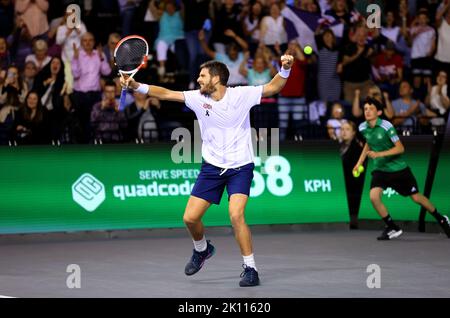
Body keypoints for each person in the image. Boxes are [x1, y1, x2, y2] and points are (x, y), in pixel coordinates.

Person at [121, 54, 295, 287]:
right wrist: (136, 86)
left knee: (236, 215)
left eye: (202, 76)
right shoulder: (196, 98)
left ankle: (250, 268)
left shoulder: (241, 95)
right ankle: (202, 250)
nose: (198, 79)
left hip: (240, 167)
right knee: (190, 218)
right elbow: (165, 93)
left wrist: (285, 68)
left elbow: (274, 87)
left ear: (216, 78)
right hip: (211, 167)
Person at [353, 97, 450, 240]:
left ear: (379, 112)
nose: (367, 111)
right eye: (365, 109)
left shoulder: (387, 126)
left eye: (371, 108)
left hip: (399, 169)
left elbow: (400, 148)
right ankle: (392, 226)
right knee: (374, 197)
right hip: (380, 170)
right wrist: (359, 162)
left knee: (416, 197)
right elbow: (369, 142)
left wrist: (379, 154)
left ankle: (442, 219)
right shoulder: (362, 127)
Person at [340, 120, 365, 229]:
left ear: (354, 132)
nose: (344, 132)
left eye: (347, 129)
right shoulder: (338, 147)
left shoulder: (358, 148)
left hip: (352, 184)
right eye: (342, 129)